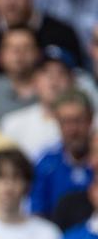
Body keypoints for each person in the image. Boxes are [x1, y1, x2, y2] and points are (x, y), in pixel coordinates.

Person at [32, 90, 95, 218]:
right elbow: (37, 213)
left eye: (78, 121)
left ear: (90, 119)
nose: (72, 129)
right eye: (66, 122)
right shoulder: (46, 165)